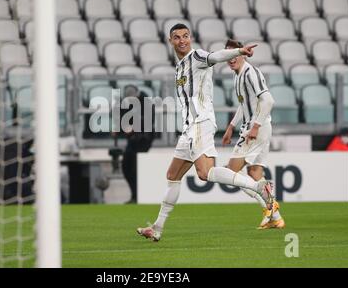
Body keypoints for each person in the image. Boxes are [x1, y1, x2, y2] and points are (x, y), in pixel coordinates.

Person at [137, 24, 274, 242]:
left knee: (205, 173)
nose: (182, 40)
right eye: (176, 37)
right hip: (189, 128)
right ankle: (157, 228)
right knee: (172, 176)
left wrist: (239, 51)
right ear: (170, 41)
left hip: (200, 123)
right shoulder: (180, 67)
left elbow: (217, 56)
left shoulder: (197, 56)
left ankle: (258, 186)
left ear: (190, 38)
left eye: (185, 36)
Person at [221, 39, 285, 230]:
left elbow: (268, 100)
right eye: (229, 55)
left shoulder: (250, 73)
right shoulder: (238, 75)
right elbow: (244, 104)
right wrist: (231, 126)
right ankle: (275, 217)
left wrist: (255, 127)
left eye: (235, 54)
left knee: (231, 172)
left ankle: (270, 204)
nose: (232, 59)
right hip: (258, 127)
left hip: (255, 129)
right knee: (255, 173)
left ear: (242, 54)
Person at [121, 85, 154, 203]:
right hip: (132, 140)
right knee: (126, 167)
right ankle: (135, 195)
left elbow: (149, 122)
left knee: (135, 169)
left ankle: (138, 196)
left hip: (143, 141)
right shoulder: (125, 103)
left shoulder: (147, 103)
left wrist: (134, 128)